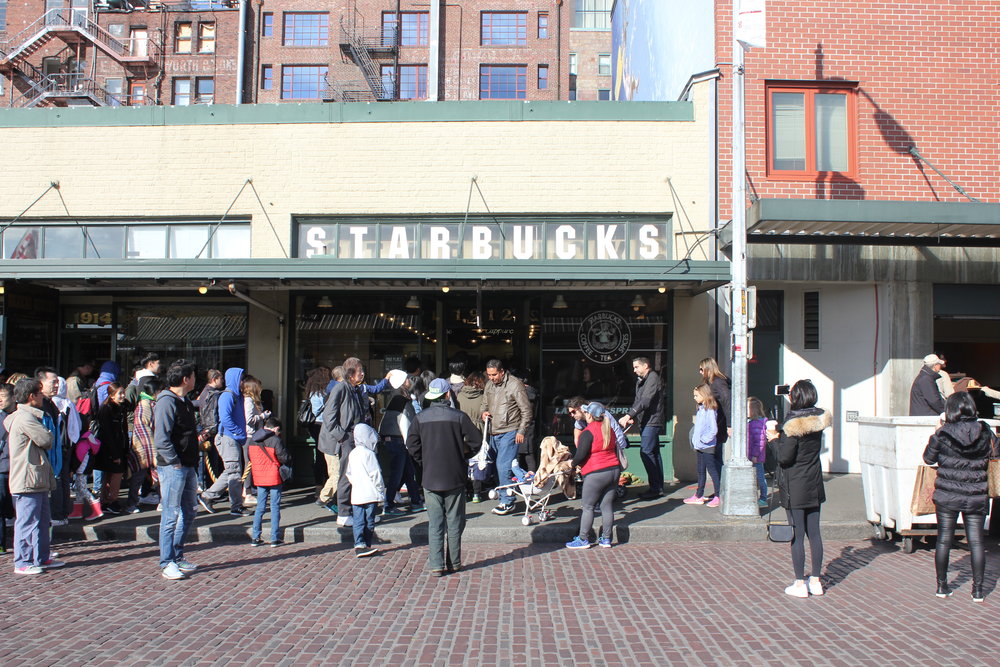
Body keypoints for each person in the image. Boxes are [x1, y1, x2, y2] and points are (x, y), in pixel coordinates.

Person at [922, 391, 993, 602]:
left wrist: (935, 433)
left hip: (947, 494)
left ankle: (942, 586)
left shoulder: (943, 433)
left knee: (944, 540)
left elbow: (928, 459)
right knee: (977, 542)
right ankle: (978, 590)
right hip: (976, 493)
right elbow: (996, 454)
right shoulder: (985, 431)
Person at [406, 378, 481, 576]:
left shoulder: (420, 418)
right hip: (454, 475)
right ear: (448, 395)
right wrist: (463, 455)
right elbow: (476, 440)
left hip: (430, 477)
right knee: (455, 522)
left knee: (435, 523)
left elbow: (412, 445)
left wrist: (423, 461)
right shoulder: (459, 417)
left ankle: (436, 564)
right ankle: (454, 563)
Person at [765, 379, 831, 598]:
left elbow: (785, 458)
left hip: (795, 483)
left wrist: (774, 439)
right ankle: (816, 580)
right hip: (814, 480)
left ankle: (799, 582)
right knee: (815, 533)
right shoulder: (818, 419)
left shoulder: (793, 424)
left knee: (797, 534)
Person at [6, 378, 64, 574]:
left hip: (36, 478)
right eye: (39, 393)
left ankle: (41, 557)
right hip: (27, 478)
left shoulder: (29, 416)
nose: (42, 396)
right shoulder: (25, 418)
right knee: (27, 521)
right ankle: (22, 561)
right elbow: (46, 439)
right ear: (31, 396)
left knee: (41, 520)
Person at [154, 360, 201, 581]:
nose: (195, 379)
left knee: (189, 510)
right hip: (174, 466)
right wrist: (174, 460)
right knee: (171, 514)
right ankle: (167, 561)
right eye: (192, 375)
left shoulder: (185, 402)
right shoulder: (166, 402)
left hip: (188, 464)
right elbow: (161, 438)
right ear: (185, 379)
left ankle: (177, 554)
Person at [319, 357, 369, 527]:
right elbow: (328, 416)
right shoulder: (341, 388)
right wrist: (342, 436)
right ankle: (344, 512)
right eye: (359, 370)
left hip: (353, 437)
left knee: (355, 475)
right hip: (344, 439)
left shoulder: (354, 389)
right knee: (345, 475)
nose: (362, 373)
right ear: (350, 373)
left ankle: (356, 511)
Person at [566, 402, 620, 549]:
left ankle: (583, 538)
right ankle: (607, 539)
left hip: (596, 472)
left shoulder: (588, 432)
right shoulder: (609, 429)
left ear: (589, 414)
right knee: (607, 506)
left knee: (588, 507)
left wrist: (572, 464)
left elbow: (581, 455)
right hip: (614, 469)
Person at [482, 359, 532, 515]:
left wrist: (521, 431)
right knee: (498, 467)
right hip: (493, 431)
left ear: (502, 371)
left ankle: (507, 501)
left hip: (510, 430)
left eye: (494, 374)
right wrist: (483, 412)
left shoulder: (514, 384)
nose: (491, 377)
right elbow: (484, 404)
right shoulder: (489, 385)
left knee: (503, 466)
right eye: (489, 374)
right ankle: (506, 495)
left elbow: (526, 410)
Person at [200, 367, 248, 516]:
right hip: (228, 437)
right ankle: (234, 505)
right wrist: (239, 432)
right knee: (234, 471)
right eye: (241, 379)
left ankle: (209, 496)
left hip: (231, 437)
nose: (242, 382)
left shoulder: (235, 395)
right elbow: (225, 418)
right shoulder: (228, 396)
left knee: (232, 471)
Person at [619, 356, 665, 499]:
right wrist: (632, 416)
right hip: (646, 421)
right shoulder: (642, 381)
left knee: (646, 452)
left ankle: (655, 488)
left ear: (646, 366)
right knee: (654, 453)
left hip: (652, 421)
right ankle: (658, 487)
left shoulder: (652, 378)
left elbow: (645, 401)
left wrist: (628, 415)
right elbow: (637, 400)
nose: (634, 370)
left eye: (636, 367)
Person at [378, 376, 422, 515]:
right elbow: (406, 422)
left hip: (393, 438)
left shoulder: (395, 398)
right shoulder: (404, 400)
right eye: (407, 378)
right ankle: (388, 505)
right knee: (397, 474)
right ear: (403, 382)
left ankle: (416, 501)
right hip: (399, 439)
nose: (410, 380)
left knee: (408, 472)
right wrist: (411, 442)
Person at [249, 417, 290, 548]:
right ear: (276, 428)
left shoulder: (252, 440)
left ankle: (255, 537)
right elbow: (284, 458)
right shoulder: (275, 440)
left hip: (259, 477)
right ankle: (274, 538)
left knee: (260, 507)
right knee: (275, 507)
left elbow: (250, 458)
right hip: (273, 476)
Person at [346, 423, 384, 557]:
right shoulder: (369, 454)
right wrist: (380, 490)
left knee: (358, 520)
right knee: (369, 520)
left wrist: (356, 483)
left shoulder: (353, 453)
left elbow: (349, 473)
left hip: (357, 494)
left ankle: (359, 543)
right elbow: (376, 474)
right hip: (370, 494)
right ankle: (366, 544)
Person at [126, 377, 163, 514]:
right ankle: (131, 504)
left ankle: (162, 501)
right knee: (139, 478)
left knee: (158, 476)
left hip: (150, 446)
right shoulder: (144, 405)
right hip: (143, 447)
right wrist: (154, 451)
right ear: (155, 391)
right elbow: (144, 430)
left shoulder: (150, 403)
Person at [94, 383, 128, 515]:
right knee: (114, 475)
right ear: (112, 395)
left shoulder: (120, 407)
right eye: (120, 393)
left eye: (123, 392)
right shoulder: (106, 409)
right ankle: (110, 501)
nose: (123, 396)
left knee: (110, 475)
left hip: (119, 446)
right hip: (110, 449)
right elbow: (106, 433)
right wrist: (115, 454)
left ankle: (106, 501)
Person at [684, 384, 721, 507]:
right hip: (700, 445)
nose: (694, 398)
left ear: (704, 395)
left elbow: (713, 429)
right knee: (700, 471)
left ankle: (718, 495)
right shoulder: (701, 409)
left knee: (712, 470)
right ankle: (699, 495)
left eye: (696, 395)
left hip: (707, 446)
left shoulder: (709, 410)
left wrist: (705, 439)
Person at [698, 358, 731, 479]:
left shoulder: (718, 382)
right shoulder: (712, 383)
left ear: (707, 369)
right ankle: (720, 488)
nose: (700, 372)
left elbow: (727, 401)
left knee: (714, 458)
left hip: (718, 424)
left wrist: (729, 424)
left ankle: (720, 488)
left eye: (701, 369)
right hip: (716, 424)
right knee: (714, 457)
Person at [241, 375, 270, 506]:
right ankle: (247, 493)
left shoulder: (252, 401)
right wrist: (262, 416)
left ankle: (247, 490)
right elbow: (248, 420)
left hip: (253, 435)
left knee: (251, 464)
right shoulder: (248, 401)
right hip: (249, 436)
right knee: (249, 465)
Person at [303, 366, 331, 498]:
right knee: (324, 456)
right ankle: (323, 484)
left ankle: (320, 484)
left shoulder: (312, 392)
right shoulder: (322, 394)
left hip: (314, 426)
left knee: (319, 455)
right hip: (322, 425)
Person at [0, 385, 14, 553]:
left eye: (3, 396)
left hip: (13, 468)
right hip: (3, 469)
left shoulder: (15, 417)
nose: (0, 400)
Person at [747, 396, 769, 508]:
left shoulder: (756, 424)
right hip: (752, 455)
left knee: (760, 477)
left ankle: (763, 498)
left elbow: (759, 442)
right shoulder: (752, 422)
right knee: (757, 477)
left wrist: (755, 455)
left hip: (756, 456)